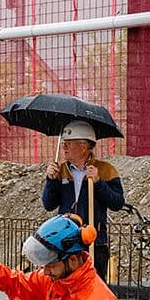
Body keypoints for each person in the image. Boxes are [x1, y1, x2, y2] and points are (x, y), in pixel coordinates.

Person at [41, 120, 125, 280]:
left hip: (94, 240)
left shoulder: (106, 170)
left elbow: (117, 203)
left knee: (93, 286)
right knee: (67, 285)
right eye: (63, 144)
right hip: (66, 241)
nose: (63, 148)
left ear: (83, 146)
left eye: (68, 144)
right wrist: (51, 180)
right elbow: (48, 204)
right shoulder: (61, 170)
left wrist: (99, 182)